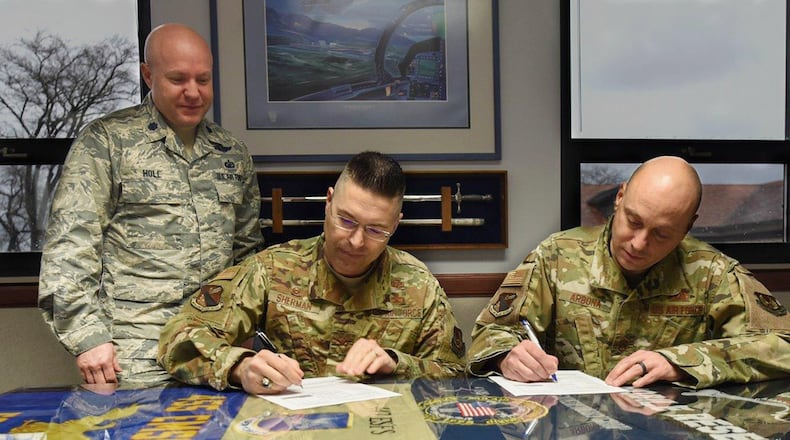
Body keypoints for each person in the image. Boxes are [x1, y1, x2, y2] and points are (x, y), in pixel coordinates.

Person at [38, 23, 263, 385]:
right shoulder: (107, 143)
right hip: (135, 355)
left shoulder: (232, 154)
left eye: (203, 80)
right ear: (148, 75)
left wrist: (250, 329)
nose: (193, 92)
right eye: (178, 79)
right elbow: (70, 247)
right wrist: (87, 338)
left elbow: (247, 256)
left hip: (216, 353)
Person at [467, 156, 790, 389]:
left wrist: (682, 362)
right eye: (633, 222)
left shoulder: (712, 273)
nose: (638, 243)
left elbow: (783, 347)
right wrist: (507, 355)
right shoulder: (556, 257)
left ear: (688, 227)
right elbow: (488, 334)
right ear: (620, 198)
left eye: (661, 234)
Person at [158, 151, 466, 394]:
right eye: (346, 220)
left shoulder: (419, 286)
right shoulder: (274, 269)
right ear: (328, 203)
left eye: (375, 230)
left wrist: (396, 364)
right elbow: (178, 339)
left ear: (395, 224)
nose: (356, 241)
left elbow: (456, 376)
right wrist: (240, 367)